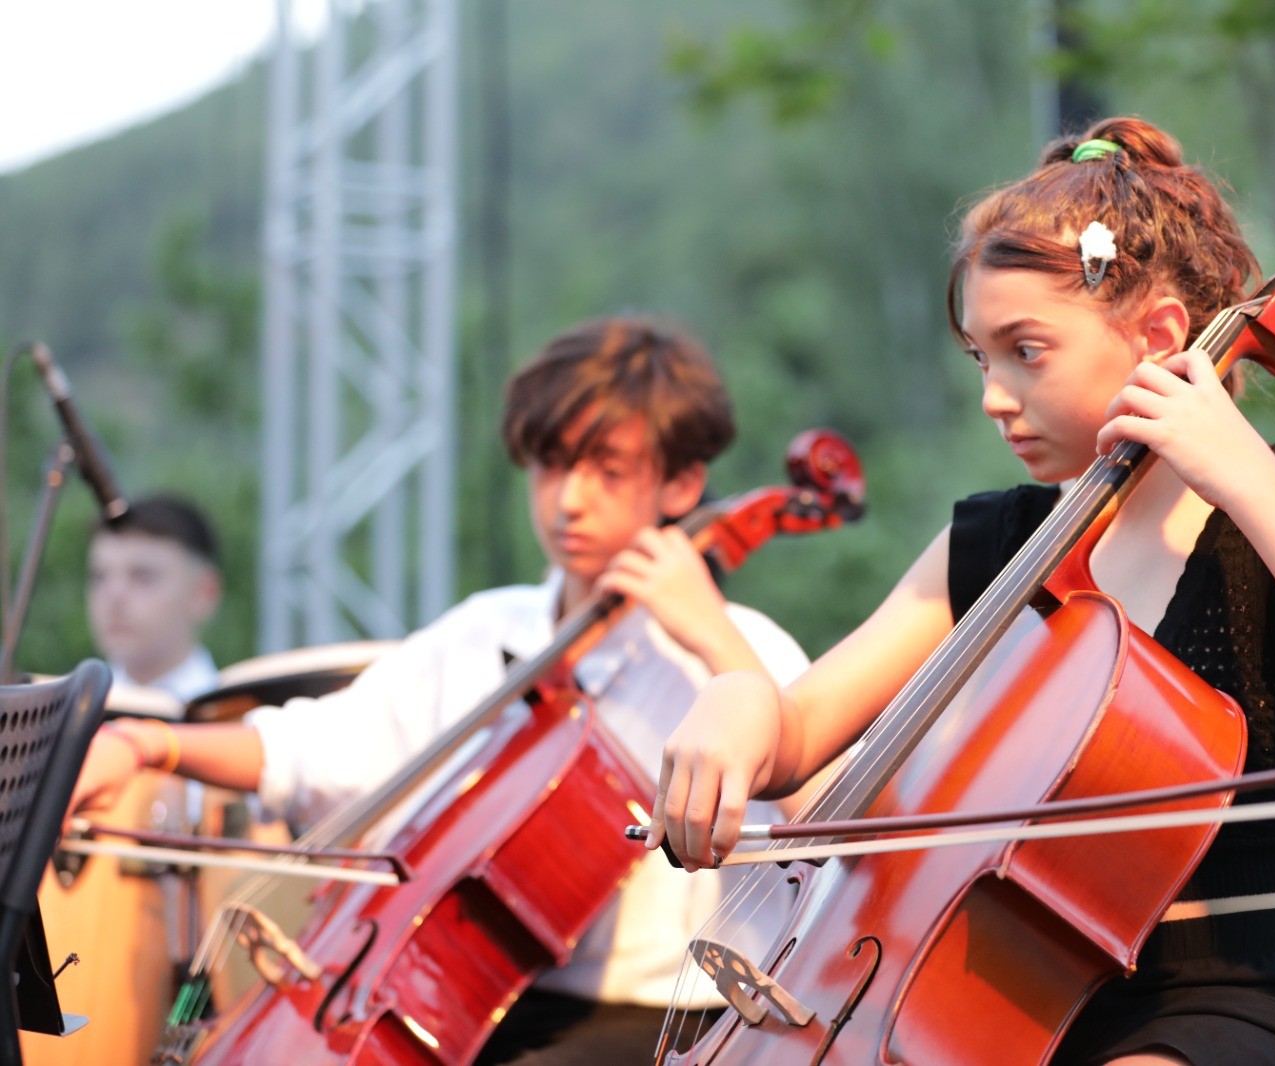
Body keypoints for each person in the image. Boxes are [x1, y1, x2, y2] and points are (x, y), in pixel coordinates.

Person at [648, 117, 1275, 1066]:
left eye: (1024, 351)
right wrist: (737, 700)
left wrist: (1242, 470)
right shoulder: (998, 541)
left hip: (1241, 996)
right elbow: (799, 736)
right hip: (1006, 999)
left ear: (1161, 337)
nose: (994, 394)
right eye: (979, 359)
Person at [68, 315, 813, 1064]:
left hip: (673, 1023)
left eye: (608, 472)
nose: (569, 501)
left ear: (682, 484)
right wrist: (146, 743)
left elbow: (833, 818)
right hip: (484, 1009)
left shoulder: (746, 649)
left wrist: (713, 634)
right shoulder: (487, 631)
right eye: (552, 466)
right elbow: (315, 745)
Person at [87, 493, 222, 705]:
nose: (114, 596)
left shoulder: (246, 723)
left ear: (203, 593)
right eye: (100, 577)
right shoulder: (60, 720)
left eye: (143, 577)